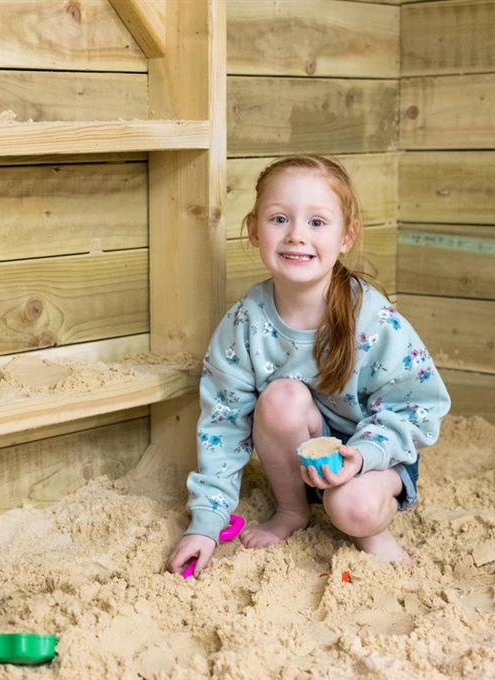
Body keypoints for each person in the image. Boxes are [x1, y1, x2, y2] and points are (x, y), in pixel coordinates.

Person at [167, 155, 450, 576]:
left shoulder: (372, 319)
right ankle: (291, 511)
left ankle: (374, 535)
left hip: (375, 456)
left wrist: (366, 454)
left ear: (346, 236)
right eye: (279, 219)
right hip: (300, 456)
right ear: (252, 230)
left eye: (317, 223)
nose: (297, 236)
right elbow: (222, 425)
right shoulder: (245, 323)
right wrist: (207, 524)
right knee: (281, 397)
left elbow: (419, 405)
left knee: (351, 507)